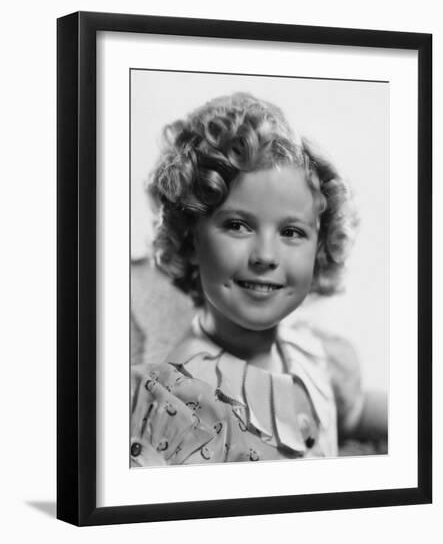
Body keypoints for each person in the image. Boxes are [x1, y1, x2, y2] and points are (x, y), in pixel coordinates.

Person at [130, 92, 387, 467]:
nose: (266, 256)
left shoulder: (316, 356)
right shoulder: (175, 402)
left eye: (292, 232)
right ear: (189, 240)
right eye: (237, 225)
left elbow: (353, 413)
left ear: (319, 249)